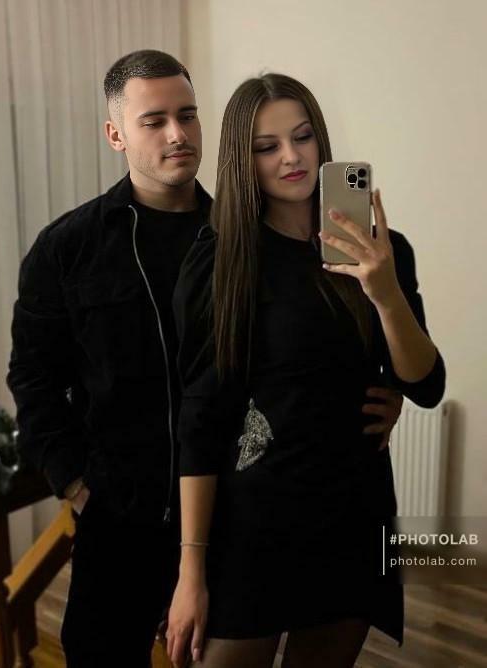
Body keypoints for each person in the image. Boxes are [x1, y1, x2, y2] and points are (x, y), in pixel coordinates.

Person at [166, 73, 446, 668]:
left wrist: (385, 292)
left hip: (351, 512)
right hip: (255, 522)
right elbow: (201, 421)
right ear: (243, 160)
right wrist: (191, 571)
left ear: (321, 140)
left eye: (302, 137)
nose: (291, 157)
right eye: (267, 147)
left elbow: (425, 384)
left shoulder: (382, 249)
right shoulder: (222, 260)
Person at [7, 49, 209, 667]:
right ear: (116, 134)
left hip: (230, 517)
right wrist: (75, 483)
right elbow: (33, 378)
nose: (177, 134)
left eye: (187, 115)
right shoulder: (66, 248)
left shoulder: (240, 237)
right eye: (154, 120)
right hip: (118, 521)